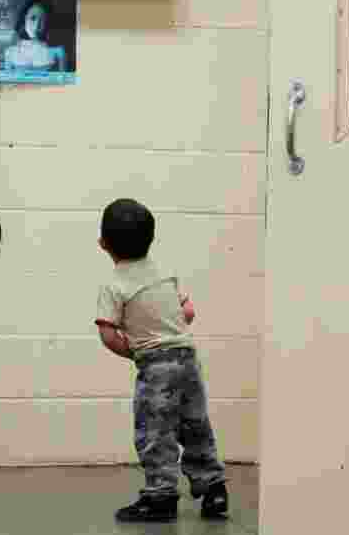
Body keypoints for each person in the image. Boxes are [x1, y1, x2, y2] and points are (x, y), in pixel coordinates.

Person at [94, 198, 228, 523]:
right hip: (188, 360)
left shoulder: (114, 286)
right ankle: (214, 489)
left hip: (156, 366)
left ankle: (161, 497)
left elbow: (108, 335)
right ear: (150, 239)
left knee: (155, 431)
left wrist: (138, 352)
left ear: (103, 244)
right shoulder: (165, 273)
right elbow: (189, 312)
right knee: (195, 424)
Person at [3, 0, 67, 71]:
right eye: (33, 18)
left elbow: (63, 80)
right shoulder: (10, 52)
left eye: (42, 20)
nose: (36, 26)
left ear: (47, 23)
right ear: (24, 19)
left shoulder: (58, 52)